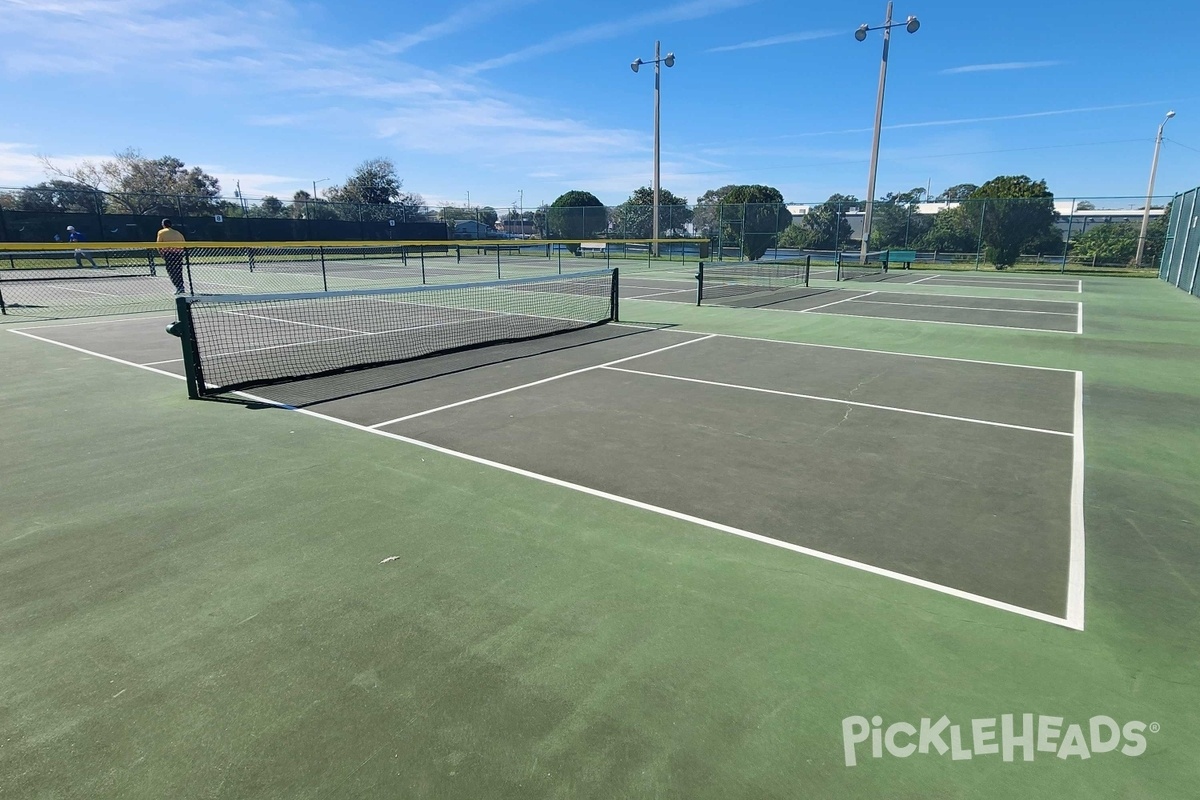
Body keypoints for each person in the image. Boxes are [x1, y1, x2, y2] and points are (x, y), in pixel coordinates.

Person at [156, 218, 187, 294]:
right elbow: (184, 244)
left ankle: (179, 287)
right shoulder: (178, 233)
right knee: (178, 271)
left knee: (172, 271)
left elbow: (158, 245)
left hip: (169, 254)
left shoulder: (161, 232)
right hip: (179, 254)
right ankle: (180, 286)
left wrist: (162, 254)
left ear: (163, 225)